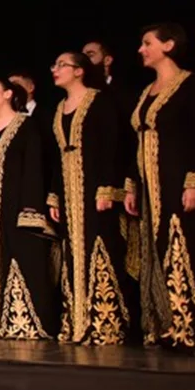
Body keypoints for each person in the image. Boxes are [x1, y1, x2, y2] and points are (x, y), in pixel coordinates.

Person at [123, 24, 195, 355]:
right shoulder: (147, 90)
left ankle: (194, 328)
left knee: (186, 251)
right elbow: (135, 143)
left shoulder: (190, 85)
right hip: (151, 188)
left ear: (168, 45)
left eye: (147, 43)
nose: (141, 49)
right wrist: (132, 186)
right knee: (158, 249)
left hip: (177, 181)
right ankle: (166, 325)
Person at [47, 51, 132, 346]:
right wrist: (55, 196)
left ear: (80, 71)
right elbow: (59, 155)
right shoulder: (59, 108)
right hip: (69, 191)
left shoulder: (99, 101)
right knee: (73, 251)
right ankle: (78, 319)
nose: (55, 70)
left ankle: (106, 321)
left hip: (94, 189)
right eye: (55, 65)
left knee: (100, 248)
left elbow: (112, 147)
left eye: (61, 65)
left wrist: (107, 189)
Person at [0, 79, 59, 339]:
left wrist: (30, 209)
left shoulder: (26, 126)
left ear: (8, 94)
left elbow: (34, 168)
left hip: (18, 208)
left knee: (24, 259)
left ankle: (26, 320)